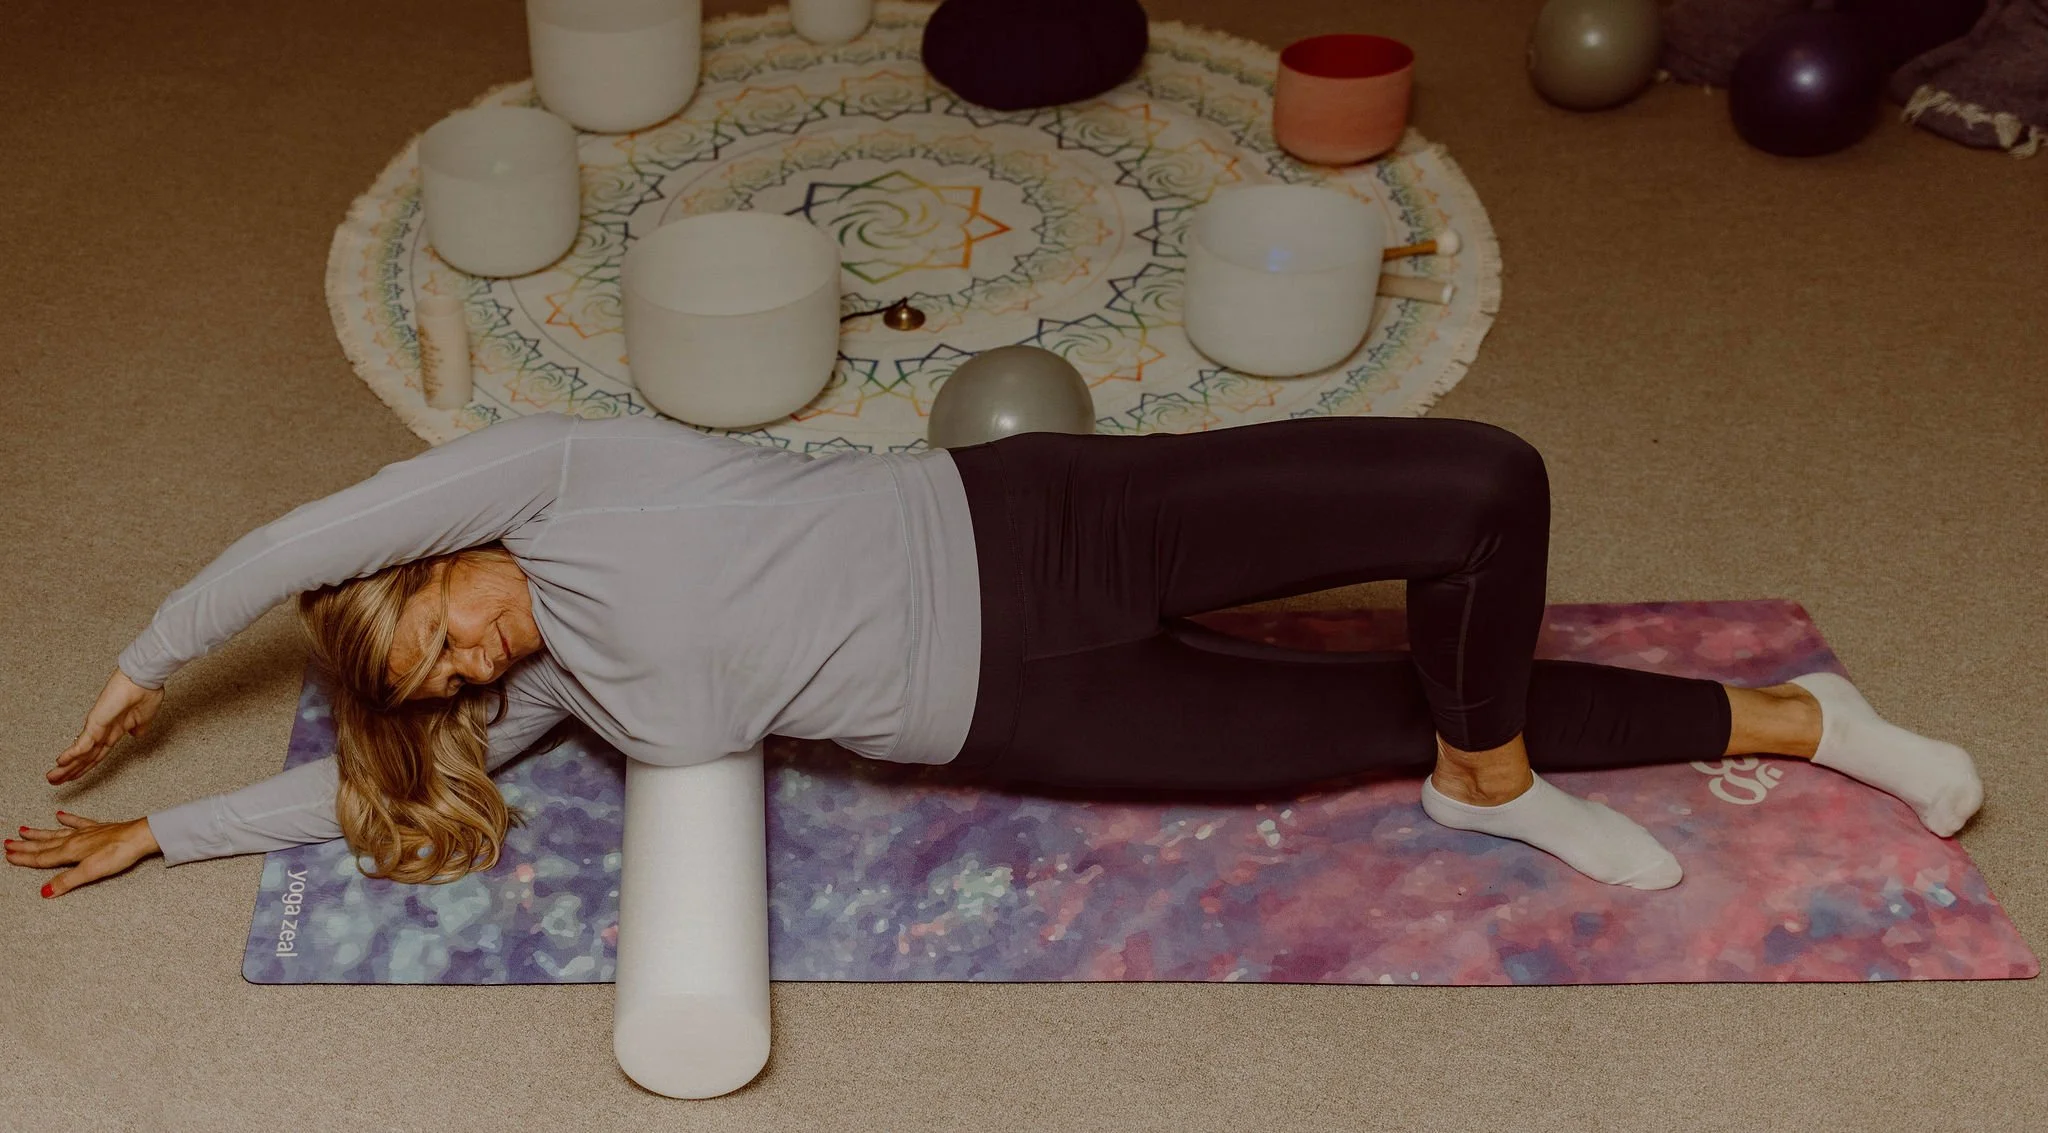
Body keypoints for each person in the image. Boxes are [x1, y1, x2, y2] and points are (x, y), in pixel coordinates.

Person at [11, 411, 1983, 898]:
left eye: (433, 624)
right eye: (441, 675)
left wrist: (140, 651)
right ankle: (1816, 724)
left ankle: (1490, 770)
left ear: (436, 552)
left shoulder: (561, 474)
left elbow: (297, 537)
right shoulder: (564, 696)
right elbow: (366, 791)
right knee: (1381, 709)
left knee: (1480, 489)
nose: (460, 665)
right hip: (1032, 708)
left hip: (1038, 515)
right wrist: (160, 836)